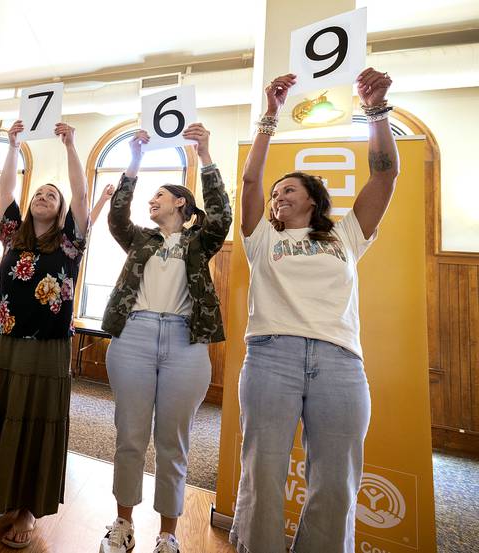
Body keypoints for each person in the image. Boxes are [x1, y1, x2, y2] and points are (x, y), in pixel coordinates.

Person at [229, 68, 399, 553]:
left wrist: (376, 110)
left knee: (336, 484)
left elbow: (384, 175)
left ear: (313, 199)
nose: (278, 196)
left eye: (289, 190)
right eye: (276, 192)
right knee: (262, 474)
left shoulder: (345, 235)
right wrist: (269, 116)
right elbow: (250, 178)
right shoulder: (263, 238)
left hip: (340, 363)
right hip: (270, 358)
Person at [99, 124, 232, 553]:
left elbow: (223, 215)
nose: (152, 201)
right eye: (149, 196)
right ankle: (122, 525)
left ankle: (168, 533)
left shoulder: (200, 240)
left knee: (173, 442)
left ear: (181, 202)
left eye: (160, 195)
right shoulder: (140, 239)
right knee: (130, 435)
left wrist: (206, 153)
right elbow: (117, 216)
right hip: (134, 336)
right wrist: (134, 164)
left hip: (184, 343)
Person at [0, 120, 89, 549]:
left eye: (52, 195)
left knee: (36, 419)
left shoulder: (71, 241)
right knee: (1, 411)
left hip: (48, 344)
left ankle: (28, 507)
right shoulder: (13, 233)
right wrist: (13, 145)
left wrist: (70, 146)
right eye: (39, 193)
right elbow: (5, 190)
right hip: (4, 337)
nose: (43, 197)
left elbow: (83, 195)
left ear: (63, 209)